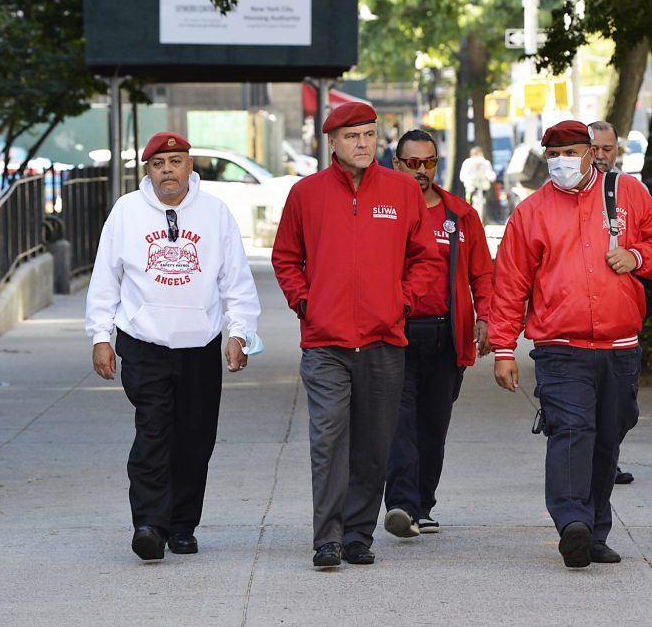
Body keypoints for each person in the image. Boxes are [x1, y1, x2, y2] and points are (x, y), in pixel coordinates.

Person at [488, 120, 652, 569]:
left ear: (592, 153)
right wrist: (502, 348)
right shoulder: (531, 212)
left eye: (570, 153)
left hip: (619, 346)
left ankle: (595, 530)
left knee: (608, 438)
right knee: (572, 432)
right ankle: (572, 522)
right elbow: (510, 284)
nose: (561, 163)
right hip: (561, 347)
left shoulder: (626, 193)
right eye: (553, 155)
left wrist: (636, 256)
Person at [272, 102, 441, 568]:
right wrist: (305, 303)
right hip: (325, 343)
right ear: (332, 143)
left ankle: (357, 535)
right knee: (328, 441)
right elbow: (286, 258)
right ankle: (326, 538)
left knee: (372, 445)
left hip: (384, 341)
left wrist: (402, 303)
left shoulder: (402, 191)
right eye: (352, 137)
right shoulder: (306, 194)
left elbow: (426, 258)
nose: (363, 143)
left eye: (369, 134)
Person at [85, 131, 262, 561]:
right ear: (147, 170)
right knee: (154, 432)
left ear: (190, 166)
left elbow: (236, 282)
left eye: (176, 161)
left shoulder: (216, 214)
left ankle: (182, 526)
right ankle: (149, 524)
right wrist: (100, 336)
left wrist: (239, 333)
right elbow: (105, 279)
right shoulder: (126, 212)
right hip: (144, 344)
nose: (168, 170)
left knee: (196, 438)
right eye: (159, 163)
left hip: (199, 346)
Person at [383, 130, 495, 538]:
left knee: (433, 426)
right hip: (398, 334)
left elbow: (483, 274)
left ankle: (422, 505)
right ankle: (400, 504)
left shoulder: (460, 215)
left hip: (448, 337)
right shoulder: (385, 214)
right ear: (396, 164)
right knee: (400, 424)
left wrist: (486, 319)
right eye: (411, 163)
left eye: (428, 162)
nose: (421, 171)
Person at [589, 120, 636, 486]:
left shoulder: (629, 190)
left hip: (622, 319)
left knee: (623, 411)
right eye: (596, 149)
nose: (602, 156)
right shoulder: (561, 192)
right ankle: (591, 461)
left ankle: (605, 456)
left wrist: (635, 255)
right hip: (574, 330)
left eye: (609, 149)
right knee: (578, 411)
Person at [457, 146, 497, 222]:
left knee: (482, 204)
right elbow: (463, 175)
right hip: (471, 187)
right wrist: (469, 182)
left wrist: (491, 177)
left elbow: (489, 173)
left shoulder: (485, 163)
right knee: (469, 202)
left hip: (482, 187)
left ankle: (481, 220)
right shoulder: (468, 163)